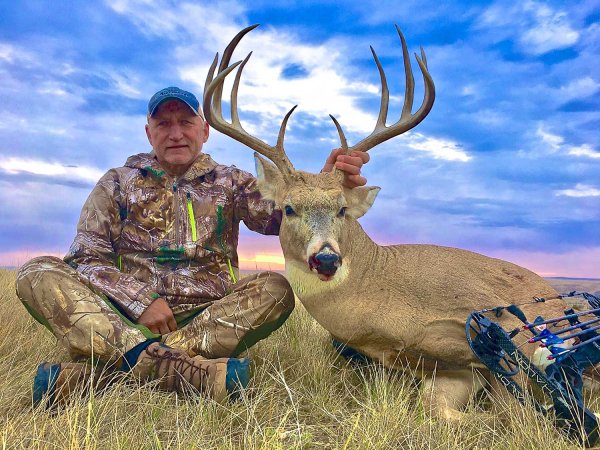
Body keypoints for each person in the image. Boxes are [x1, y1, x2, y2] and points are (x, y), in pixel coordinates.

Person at [15, 86, 369, 405]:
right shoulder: (117, 183)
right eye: (164, 124)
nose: (175, 134)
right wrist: (141, 302)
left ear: (204, 131)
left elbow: (285, 218)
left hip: (206, 320)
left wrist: (321, 187)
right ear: (148, 133)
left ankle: (114, 371)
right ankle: (182, 371)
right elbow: (86, 258)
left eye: (186, 122)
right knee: (36, 272)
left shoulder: (232, 183)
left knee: (276, 289)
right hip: (122, 317)